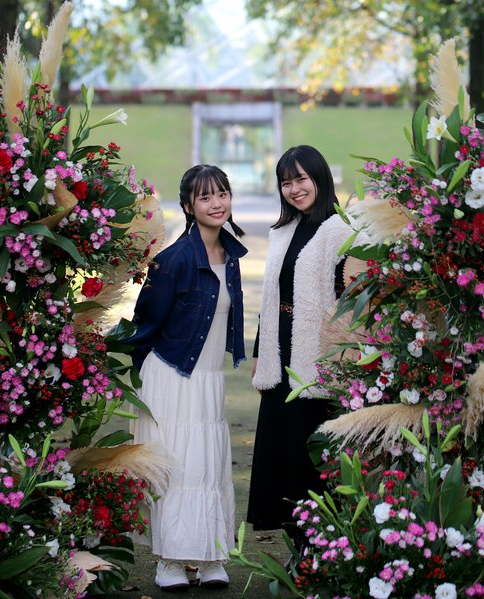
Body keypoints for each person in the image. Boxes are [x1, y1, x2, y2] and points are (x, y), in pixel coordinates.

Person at [127, 165, 247, 591]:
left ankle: (210, 554)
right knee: (178, 471)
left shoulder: (231, 255)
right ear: (187, 207)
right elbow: (144, 327)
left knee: (208, 468)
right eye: (205, 197)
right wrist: (145, 384)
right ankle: (171, 561)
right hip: (173, 377)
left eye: (222, 194)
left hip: (208, 379)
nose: (216, 204)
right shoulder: (172, 260)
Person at [248, 145, 354, 534]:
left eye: (300, 179)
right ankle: (298, 545)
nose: (293, 189)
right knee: (283, 456)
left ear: (319, 178)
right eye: (286, 183)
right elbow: (272, 296)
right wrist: (261, 352)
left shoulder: (341, 229)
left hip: (319, 360)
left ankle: (321, 544)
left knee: (312, 459)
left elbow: (350, 300)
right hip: (281, 356)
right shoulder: (284, 230)